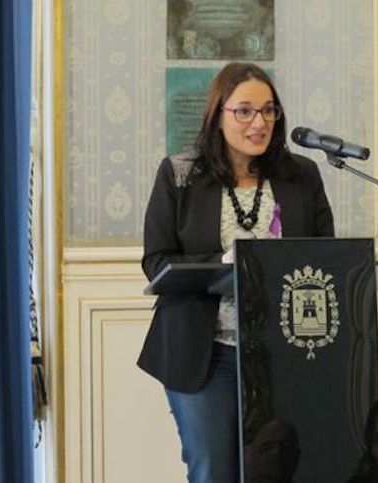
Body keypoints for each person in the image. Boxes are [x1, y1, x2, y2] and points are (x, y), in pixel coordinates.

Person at [137, 61, 334, 483]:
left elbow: (325, 257)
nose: (258, 123)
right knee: (213, 469)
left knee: (279, 471)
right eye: (244, 111)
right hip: (204, 352)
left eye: (268, 110)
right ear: (218, 114)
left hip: (282, 352)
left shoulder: (302, 175)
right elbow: (156, 261)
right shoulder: (180, 174)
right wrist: (223, 263)